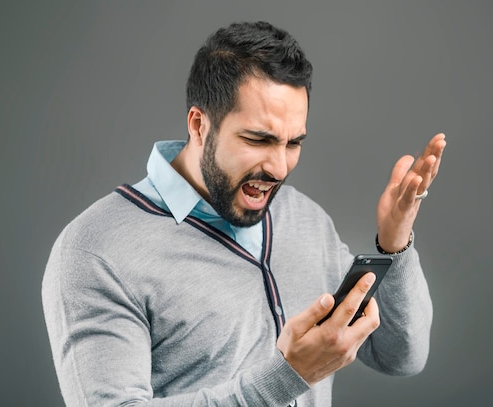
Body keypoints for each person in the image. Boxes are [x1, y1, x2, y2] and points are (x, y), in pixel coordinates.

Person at [42, 21, 446, 406]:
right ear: (199, 125)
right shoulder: (95, 252)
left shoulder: (305, 219)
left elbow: (400, 356)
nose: (279, 167)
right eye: (258, 139)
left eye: (293, 143)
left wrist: (394, 242)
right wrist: (287, 377)